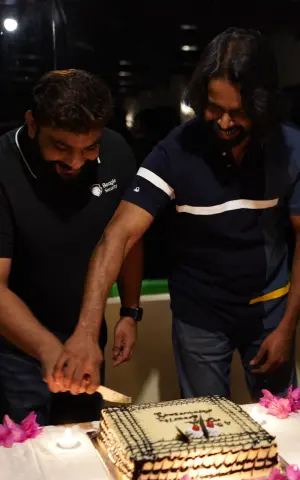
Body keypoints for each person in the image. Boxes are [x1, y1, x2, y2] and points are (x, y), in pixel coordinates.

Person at [54, 28, 300, 401]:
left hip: (271, 311)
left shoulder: (291, 148)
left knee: (285, 420)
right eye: (214, 108)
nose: (224, 122)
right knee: (206, 429)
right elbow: (118, 235)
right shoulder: (176, 150)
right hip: (198, 315)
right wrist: (88, 331)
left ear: (262, 104)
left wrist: (287, 326)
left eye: (238, 112)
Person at [0, 69, 143, 425]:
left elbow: (126, 239)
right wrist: (49, 349)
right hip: (15, 347)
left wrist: (130, 310)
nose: (76, 162)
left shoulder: (116, 152)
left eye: (88, 148)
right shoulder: (2, 167)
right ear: (32, 124)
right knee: (24, 457)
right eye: (61, 147)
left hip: (87, 339)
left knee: (83, 448)